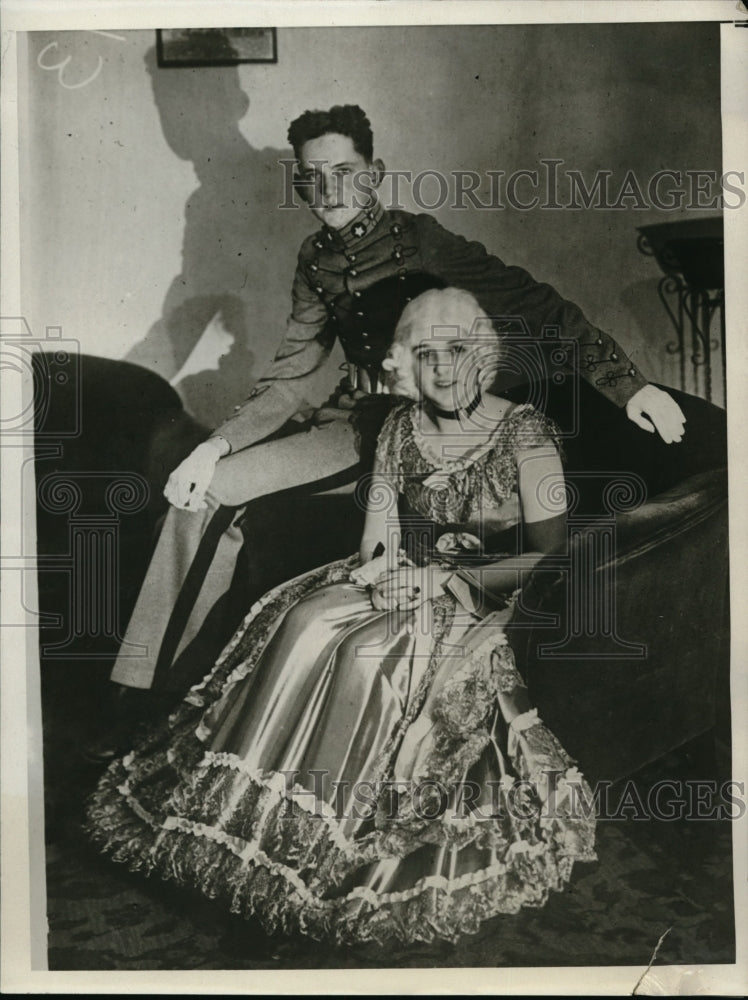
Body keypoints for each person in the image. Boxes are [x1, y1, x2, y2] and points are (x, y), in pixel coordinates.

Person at [100, 103, 686, 738]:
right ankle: (145, 696)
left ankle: (164, 707)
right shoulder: (315, 258)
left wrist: (630, 387)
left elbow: (543, 307)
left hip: (416, 431)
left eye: (344, 172)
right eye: (310, 176)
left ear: (374, 173)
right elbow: (294, 371)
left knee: (218, 502)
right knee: (204, 492)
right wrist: (214, 446)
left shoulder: (421, 239)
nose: (326, 191)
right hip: (354, 425)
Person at [86, 287, 597, 945]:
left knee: (369, 658)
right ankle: (251, 836)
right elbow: (377, 537)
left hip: (482, 594)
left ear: (485, 357)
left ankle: (325, 848)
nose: (444, 371)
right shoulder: (397, 428)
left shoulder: (525, 432)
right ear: (407, 362)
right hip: (400, 580)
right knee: (304, 622)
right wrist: (381, 572)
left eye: (457, 353)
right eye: (426, 355)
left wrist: (443, 578)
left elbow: (550, 558)